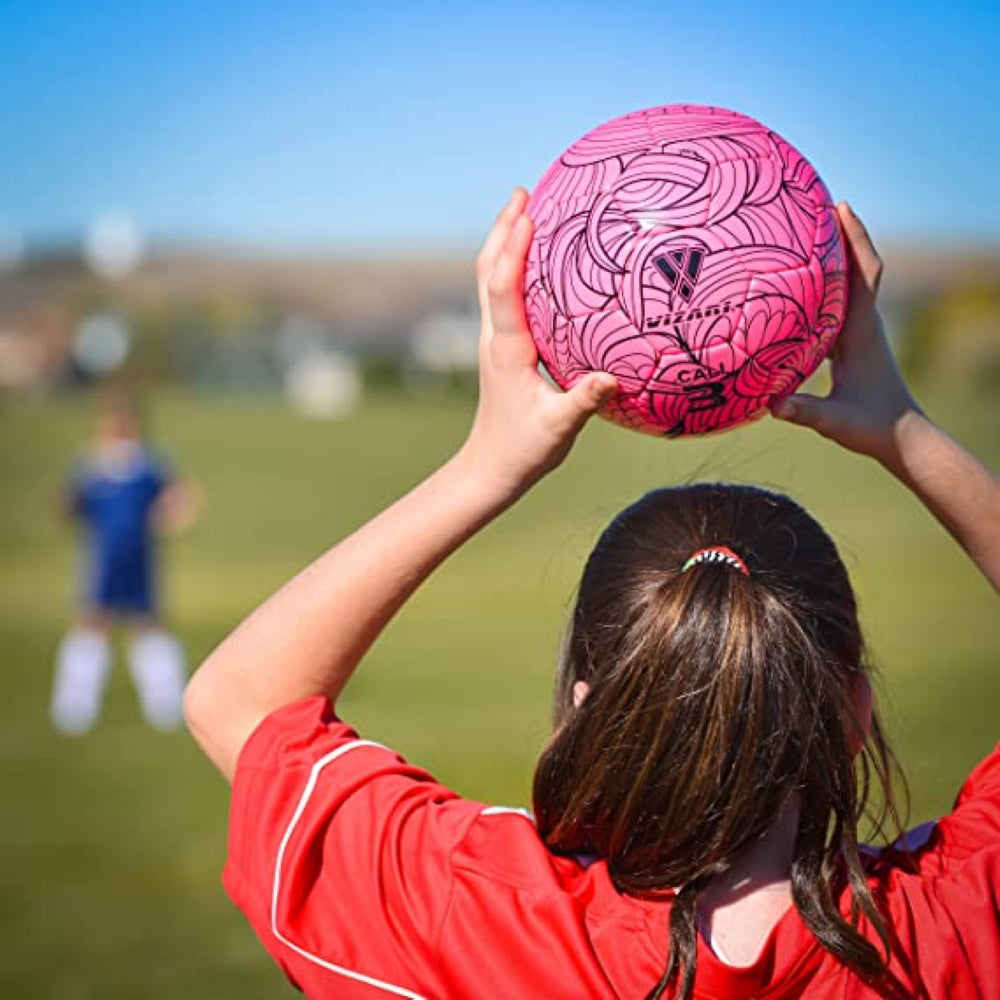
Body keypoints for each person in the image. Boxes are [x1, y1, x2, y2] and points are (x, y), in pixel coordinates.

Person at [184, 191, 1000, 999]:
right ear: (854, 712)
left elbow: (241, 701)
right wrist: (904, 432)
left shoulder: (479, 926)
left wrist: (487, 466)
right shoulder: (952, 925)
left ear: (586, 709)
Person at [52, 391, 200, 735]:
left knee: (147, 625)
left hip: (140, 559)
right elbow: (68, 503)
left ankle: (165, 704)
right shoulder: (90, 466)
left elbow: (180, 497)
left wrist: (170, 515)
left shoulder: (148, 464)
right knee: (93, 622)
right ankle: (75, 706)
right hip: (102, 560)